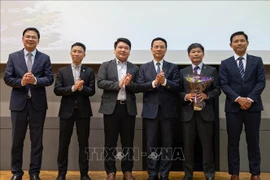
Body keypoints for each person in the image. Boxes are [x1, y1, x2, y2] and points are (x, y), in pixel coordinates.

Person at [4, 27, 54, 180]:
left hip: (37, 105)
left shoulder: (45, 58)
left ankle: (34, 172)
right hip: (18, 105)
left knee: (37, 141)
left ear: (38, 40)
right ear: (22, 39)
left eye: (34, 37)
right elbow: (8, 78)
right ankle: (16, 172)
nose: (30, 39)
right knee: (17, 140)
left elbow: (49, 78)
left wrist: (35, 81)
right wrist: (22, 81)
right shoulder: (13, 57)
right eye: (28, 36)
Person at [219, 31, 265, 180]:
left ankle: (255, 173)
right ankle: (234, 173)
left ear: (247, 43)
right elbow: (224, 85)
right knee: (233, 142)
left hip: (253, 107)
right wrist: (238, 99)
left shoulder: (257, 61)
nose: (239, 43)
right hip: (233, 108)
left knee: (253, 141)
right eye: (236, 41)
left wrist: (249, 99)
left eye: (242, 40)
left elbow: (261, 82)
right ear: (231, 45)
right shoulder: (225, 63)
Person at [137, 37, 180, 180]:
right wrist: (155, 83)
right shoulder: (144, 67)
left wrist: (165, 81)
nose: (159, 49)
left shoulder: (173, 67)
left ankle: (165, 174)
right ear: (151, 49)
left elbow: (177, 87)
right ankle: (152, 173)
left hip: (168, 112)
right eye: (156, 47)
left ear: (166, 50)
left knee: (167, 144)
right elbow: (140, 86)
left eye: (162, 47)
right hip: (150, 112)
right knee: (151, 145)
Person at [97, 38, 139, 180]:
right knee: (110, 142)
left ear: (129, 51)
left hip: (128, 108)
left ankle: (127, 171)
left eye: (126, 48)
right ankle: (110, 172)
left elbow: (138, 87)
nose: (123, 50)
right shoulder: (105, 65)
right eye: (120, 47)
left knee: (128, 142)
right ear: (115, 50)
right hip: (111, 109)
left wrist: (129, 84)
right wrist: (118, 84)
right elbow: (100, 82)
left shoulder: (134, 68)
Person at [54, 42, 95, 180]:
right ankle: (61, 174)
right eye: (74, 51)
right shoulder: (62, 71)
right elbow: (57, 90)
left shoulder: (88, 72)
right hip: (66, 112)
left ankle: (84, 174)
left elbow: (92, 91)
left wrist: (82, 88)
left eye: (80, 51)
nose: (77, 54)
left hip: (83, 113)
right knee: (63, 143)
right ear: (70, 53)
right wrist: (73, 88)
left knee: (83, 144)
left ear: (84, 55)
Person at [179, 43, 221, 180]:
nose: (196, 54)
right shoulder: (183, 72)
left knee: (207, 146)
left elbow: (217, 89)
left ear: (203, 54)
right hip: (188, 114)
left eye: (198, 52)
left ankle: (209, 174)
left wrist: (206, 95)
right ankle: (188, 174)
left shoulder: (212, 71)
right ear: (188, 55)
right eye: (193, 52)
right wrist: (186, 96)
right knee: (188, 146)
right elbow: (177, 91)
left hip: (206, 113)